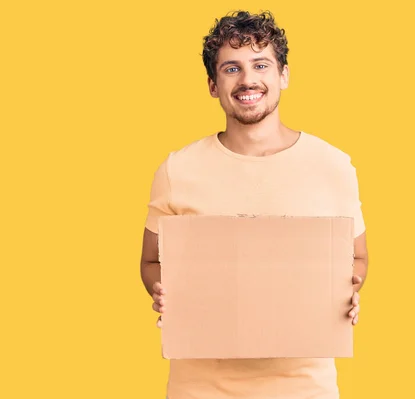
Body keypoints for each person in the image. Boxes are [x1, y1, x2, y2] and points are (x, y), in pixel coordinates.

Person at [139, 10, 368, 399]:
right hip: (200, 387)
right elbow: (150, 262)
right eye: (232, 68)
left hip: (303, 386)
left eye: (261, 64)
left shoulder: (332, 165)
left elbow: (357, 257)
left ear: (283, 75)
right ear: (213, 84)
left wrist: (345, 291)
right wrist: (161, 288)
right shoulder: (178, 169)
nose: (248, 80)